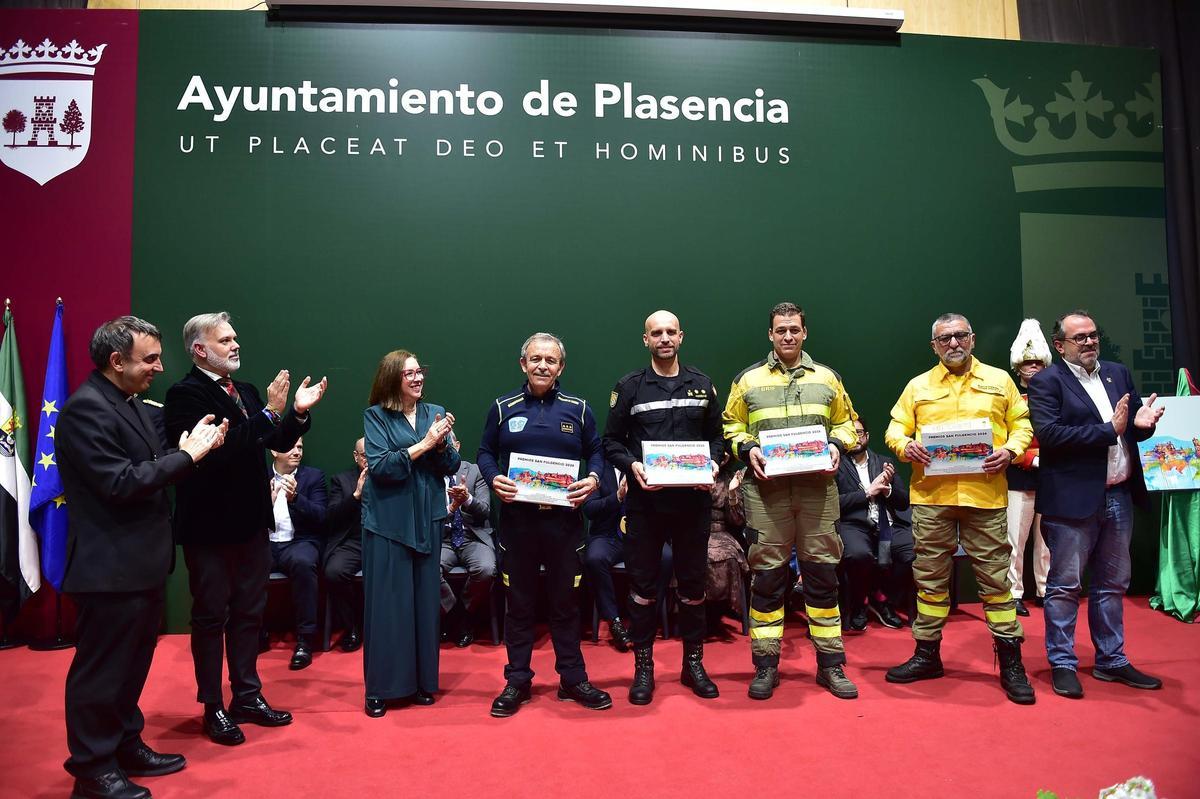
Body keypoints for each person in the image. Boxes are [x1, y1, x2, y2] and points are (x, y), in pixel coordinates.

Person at [57, 316, 225, 799]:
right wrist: (187, 456)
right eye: (149, 358)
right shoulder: (85, 410)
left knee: (131, 667)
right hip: (109, 569)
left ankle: (125, 744)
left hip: (140, 565)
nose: (159, 366)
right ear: (116, 361)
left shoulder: (125, 402)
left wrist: (197, 446)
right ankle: (91, 770)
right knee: (101, 673)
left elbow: (150, 465)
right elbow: (121, 482)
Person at [165, 311, 327, 745]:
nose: (236, 345)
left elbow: (274, 440)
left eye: (236, 337)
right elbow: (218, 450)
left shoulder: (249, 391)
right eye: (226, 339)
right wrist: (272, 414)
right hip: (209, 530)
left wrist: (294, 413)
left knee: (249, 615)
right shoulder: (184, 396)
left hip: (252, 527)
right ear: (200, 349)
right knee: (210, 617)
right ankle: (212, 705)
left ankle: (247, 696)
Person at [884, 312, 1036, 705]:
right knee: (930, 581)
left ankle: (1010, 661)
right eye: (945, 338)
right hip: (931, 499)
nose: (953, 343)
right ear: (933, 345)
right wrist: (905, 446)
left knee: (996, 582)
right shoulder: (918, 386)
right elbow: (894, 429)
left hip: (984, 497)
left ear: (972, 339)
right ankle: (926, 655)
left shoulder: (1000, 380)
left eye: (960, 336)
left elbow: (1023, 425)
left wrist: (1011, 450)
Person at [723, 302, 860, 701]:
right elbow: (730, 426)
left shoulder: (828, 378)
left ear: (805, 333)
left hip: (818, 492)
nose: (787, 336)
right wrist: (746, 448)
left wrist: (837, 445)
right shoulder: (747, 381)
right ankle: (766, 666)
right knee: (767, 580)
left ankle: (831, 667)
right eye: (780, 330)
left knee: (822, 578)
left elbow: (847, 423)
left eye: (794, 330)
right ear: (770, 334)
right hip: (766, 495)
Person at [1028, 310, 1164, 699]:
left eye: (1093, 335)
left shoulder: (1117, 373)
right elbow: (1050, 434)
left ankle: (1111, 660)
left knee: (1112, 584)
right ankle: (1063, 663)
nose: (1089, 342)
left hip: (1118, 494)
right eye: (1079, 338)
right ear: (1060, 345)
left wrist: (1144, 423)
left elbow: (1132, 423)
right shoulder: (1046, 382)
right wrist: (1110, 430)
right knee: (1065, 585)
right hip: (1072, 502)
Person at [477, 332, 611, 717]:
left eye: (550, 361)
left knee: (565, 605)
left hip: (565, 526)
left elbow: (597, 451)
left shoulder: (579, 409)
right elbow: (485, 451)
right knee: (518, 606)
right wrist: (492, 477)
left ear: (561, 367)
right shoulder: (502, 407)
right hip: (517, 525)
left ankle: (572, 679)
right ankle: (516, 681)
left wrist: (595, 479)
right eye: (535, 359)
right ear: (523, 364)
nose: (542, 366)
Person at [603, 309, 726, 704]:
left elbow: (719, 442)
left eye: (671, 331)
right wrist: (632, 465)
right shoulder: (629, 388)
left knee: (692, 587)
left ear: (681, 337)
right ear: (646, 340)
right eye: (656, 332)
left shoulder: (703, 385)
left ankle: (693, 664)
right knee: (642, 589)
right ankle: (644, 668)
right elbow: (611, 442)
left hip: (692, 505)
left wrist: (713, 463)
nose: (664, 338)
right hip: (646, 505)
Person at [361, 350, 460, 718]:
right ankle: (381, 689)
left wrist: (441, 444)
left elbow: (449, 464)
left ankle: (421, 683)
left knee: (423, 604)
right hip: (388, 521)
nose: (418, 379)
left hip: (427, 518)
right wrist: (425, 443)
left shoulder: (435, 411)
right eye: (409, 374)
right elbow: (383, 467)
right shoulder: (376, 416)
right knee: (388, 606)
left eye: (420, 371)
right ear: (392, 379)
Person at [582, 460, 675, 652]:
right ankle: (614, 622)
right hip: (609, 536)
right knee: (594, 558)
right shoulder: (600, 470)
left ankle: (647, 619)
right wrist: (617, 496)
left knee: (666, 557)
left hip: (643, 535)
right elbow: (590, 509)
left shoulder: (650, 467)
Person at [834, 417, 913, 631]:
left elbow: (903, 501)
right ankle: (860, 602)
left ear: (867, 436)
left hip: (889, 524)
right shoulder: (835, 465)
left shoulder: (884, 462)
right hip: (854, 524)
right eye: (850, 434)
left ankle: (885, 599)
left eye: (859, 433)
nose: (856, 438)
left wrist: (887, 490)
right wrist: (868, 492)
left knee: (911, 553)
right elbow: (834, 504)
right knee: (858, 555)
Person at [266, 438, 327, 670]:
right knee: (247, 563)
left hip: (299, 542)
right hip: (266, 544)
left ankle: (305, 640)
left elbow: (322, 516)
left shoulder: (313, 477)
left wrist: (296, 499)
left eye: (300, 447)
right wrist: (267, 503)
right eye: (291, 446)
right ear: (274, 450)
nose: (297, 451)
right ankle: (256, 633)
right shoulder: (259, 476)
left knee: (303, 563)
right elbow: (245, 518)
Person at [1006, 319, 1052, 616]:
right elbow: (1002, 438)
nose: (1032, 367)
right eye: (1026, 363)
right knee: (1015, 540)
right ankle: (1014, 592)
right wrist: (1030, 458)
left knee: (1047, 541)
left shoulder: (1054, 397)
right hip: (1018, 477)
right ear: (1018, 367)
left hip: (1050, 477)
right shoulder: (1010, 398)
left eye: (1037, 362)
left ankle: (1047, 589)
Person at [439, 438, 496, 648]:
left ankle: (461, 615)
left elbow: (485, 511)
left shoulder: (474, 471)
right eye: (441, 444)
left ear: (458, 445)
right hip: (442, 538)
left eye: (450, 443)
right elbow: (425, 515)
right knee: (426, 570)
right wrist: (451, 508)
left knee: (486, 569)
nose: (446, 448)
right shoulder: (428, 473)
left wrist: (467, 500)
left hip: (473, 536)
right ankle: (457, 617)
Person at [323, 438, 366, 653]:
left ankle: (389, 628)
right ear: (356, 456)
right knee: (334, 571)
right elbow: (331, 517)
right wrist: (356, 495)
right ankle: (352, 626)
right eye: (364, 455)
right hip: (353, 542)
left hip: (382, 539)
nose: (369, 460)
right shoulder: (341, 480)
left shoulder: (390, 475)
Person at [705, 456, 749, 638]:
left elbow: (738, 520)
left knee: (729, 556)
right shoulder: (690, 473)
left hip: (720, 530)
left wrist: (732, 493)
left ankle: (718, 612)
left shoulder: (731, 477)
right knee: (695, 555)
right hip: (691, 529)